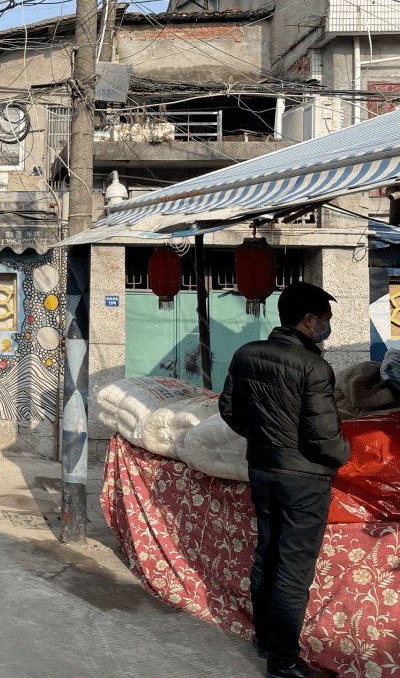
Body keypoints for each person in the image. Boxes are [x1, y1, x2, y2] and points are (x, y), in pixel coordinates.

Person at [219, 282, 350, 678]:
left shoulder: (246, 354)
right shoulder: (315, 367)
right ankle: (283, 664)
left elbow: (229, 410)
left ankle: (265, 641)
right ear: (309, 320)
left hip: (262, 470)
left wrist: (265, 441)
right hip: (305, 482)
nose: (327, 328)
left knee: (267, 555)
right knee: (293, 571)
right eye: (325, 321)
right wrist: (345, 453)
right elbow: (325, 439)